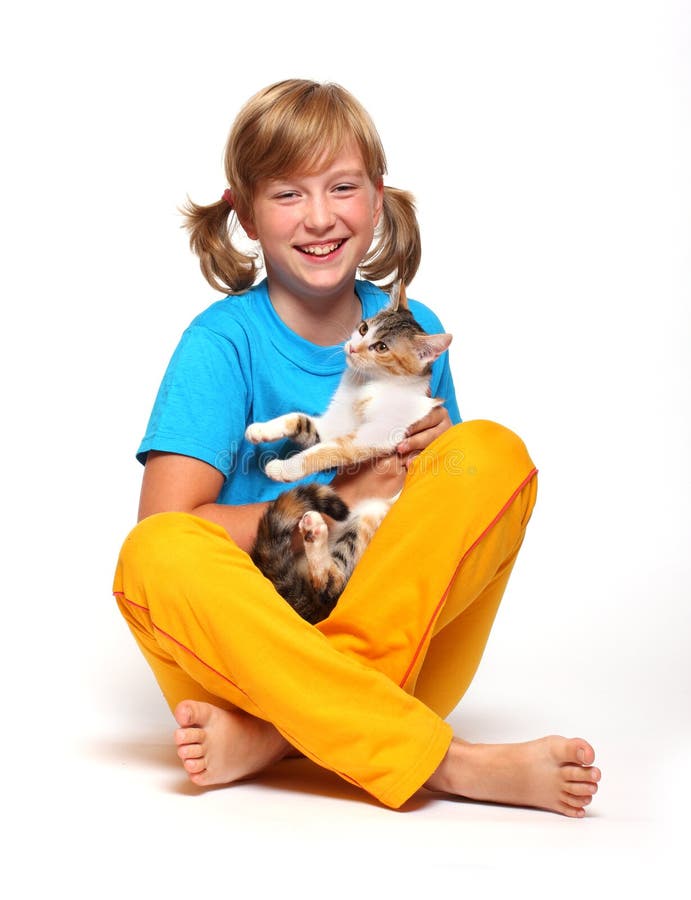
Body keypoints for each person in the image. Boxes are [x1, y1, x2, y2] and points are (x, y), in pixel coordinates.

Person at [113, 79, 600, 816]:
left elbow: (447, 533)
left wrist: (440, 462)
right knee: (152, 556)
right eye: (286, 194)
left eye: (341, 187)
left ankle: (277, 734)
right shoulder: (220, 344)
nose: (318, 217)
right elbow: (168, 531)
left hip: (384, 652)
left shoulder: (413, 325)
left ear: (376, 198)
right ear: (243, 212)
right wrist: (337, 501)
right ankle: (447, 763)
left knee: (492, 452)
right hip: (242, 663)